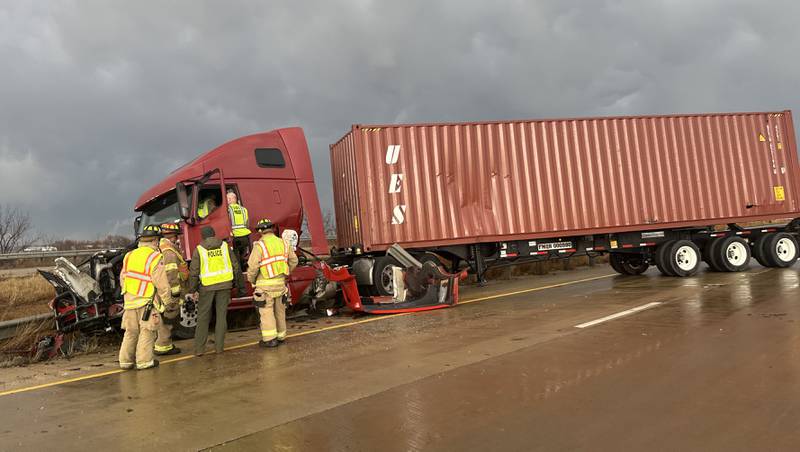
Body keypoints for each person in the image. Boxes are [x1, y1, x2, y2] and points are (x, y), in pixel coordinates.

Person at [118, 225, 175, 370]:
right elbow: (161, 282)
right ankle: (144, 361)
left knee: (130, 332)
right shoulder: (155, 257)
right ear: (155, 241)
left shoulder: (129, 256)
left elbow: (123, 278)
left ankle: (125, 361)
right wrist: (168, 301)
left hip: (129, 302)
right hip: (147, 303)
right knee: (147, 331)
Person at [188, 226, 245, 356]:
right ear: (214, 234)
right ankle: (219, 348)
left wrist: (192, 289)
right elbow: (236, 267)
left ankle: (199, 350)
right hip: (225, 286)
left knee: (203, 317)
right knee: (221, 317)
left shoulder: (199, 249)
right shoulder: (225, 246)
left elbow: (194, 272)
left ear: (203, 236)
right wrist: (239, 285)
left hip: (206, 287)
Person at [247, 219, 298, 348]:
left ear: (260, 231)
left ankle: (270, 339)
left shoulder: (260, 246)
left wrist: (252, 280)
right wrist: (286, 272)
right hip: (280, 284)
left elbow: (253, 266)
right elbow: (294, 261)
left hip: (264, 286)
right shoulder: (283, 243)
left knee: (266, 312)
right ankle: (281, 336)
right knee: (280, 311)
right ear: (272, 229)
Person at [154, 222, 188, 356]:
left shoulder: (162, 248)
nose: (177, 239)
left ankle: (164, 344)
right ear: (172, 236)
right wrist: (175, 292)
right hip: (171, 291)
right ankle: (164, 346)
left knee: (165, 318)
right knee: (168, 318)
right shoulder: (168, 251)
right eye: (176, 236)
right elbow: (171, 273)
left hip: (164, 290)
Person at [226, 190, 251, 268]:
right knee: (243, 257)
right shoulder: (244, 209)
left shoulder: (228, 209)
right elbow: (247, 223)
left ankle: (239, 275)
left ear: (230, 199)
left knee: (236, 259)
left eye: (227, 199)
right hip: (245, 237)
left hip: (236, 237)